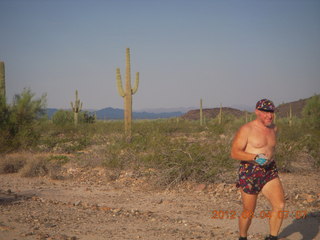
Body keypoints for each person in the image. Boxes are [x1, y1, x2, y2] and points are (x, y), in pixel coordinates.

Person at [231, 99, 285, 240]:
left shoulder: (274, 128)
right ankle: (242, 237)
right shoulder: (246, 129)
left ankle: (272, 237)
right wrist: (255, 157)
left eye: (271, 112)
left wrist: (267, 159)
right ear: (257, 112)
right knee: (249, 212)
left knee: (279, 205)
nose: (269, 115)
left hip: (269, 170)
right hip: (250, 172)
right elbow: (235, 152)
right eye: (265, 112)